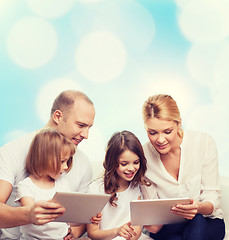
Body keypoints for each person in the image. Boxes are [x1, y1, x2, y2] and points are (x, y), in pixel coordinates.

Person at [0, 90, 95, 239]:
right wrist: (29, 214)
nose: (86, 135)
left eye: (89, 127)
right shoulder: (12, 152)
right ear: (58, 116)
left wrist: (76, 231)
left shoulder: (83, 163)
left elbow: (80, 215)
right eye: (81, 125)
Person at [141, 94, 225, 240]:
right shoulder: (143, 155)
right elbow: (152, 210)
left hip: (208, 221)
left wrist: (198, 207)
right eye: (152, 133)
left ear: (179, 123)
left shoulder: (203, 143)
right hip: (170, 226)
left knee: (197, 221)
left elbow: (213, 198)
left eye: (167, 132)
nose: (160, 140)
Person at [87, 130, 151, 240]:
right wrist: (117, 231)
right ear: (112, 162)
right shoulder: (96, 189)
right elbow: (92, 233)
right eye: (124, 164)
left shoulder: (136, 188)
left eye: (136, 162)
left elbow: (137, 230)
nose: (131, 168)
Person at [17, 128, 76, 239]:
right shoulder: (26, 186)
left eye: (67, 161)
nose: (66, 167)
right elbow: (32, 214)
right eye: (62, 161)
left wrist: (87, 217)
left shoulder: (62, 182)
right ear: (44, 158)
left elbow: (70, 214)